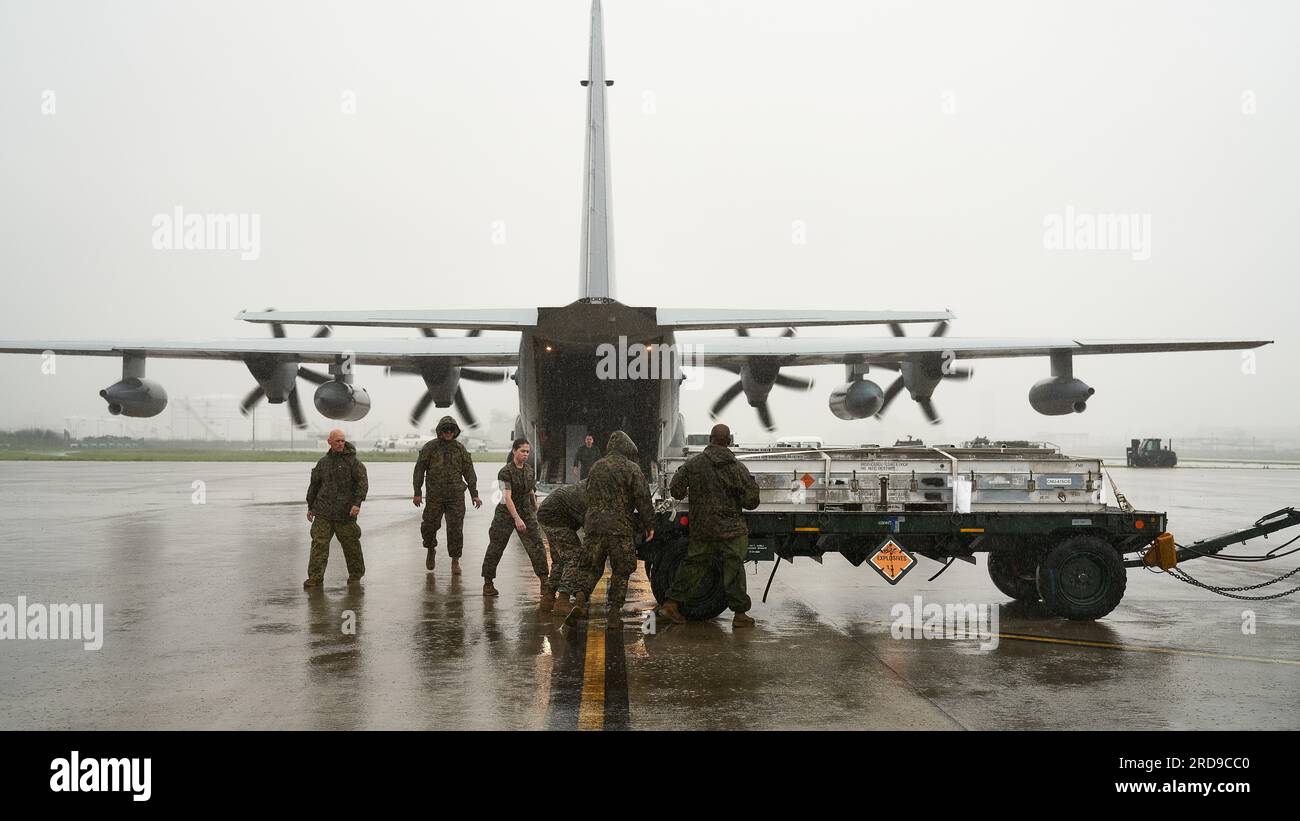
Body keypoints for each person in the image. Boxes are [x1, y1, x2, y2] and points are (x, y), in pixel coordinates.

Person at [658, 423, 760, 626]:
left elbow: (676, 490)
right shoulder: (737, 468)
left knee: (693, 564)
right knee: (734, 568)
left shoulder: (694, 464)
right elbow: (752, 502)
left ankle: (671, 604)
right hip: (731, 529)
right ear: (729, 441)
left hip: (702, 527)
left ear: (710, 439)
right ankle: (740, 615)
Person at [568, 431, 654, 629]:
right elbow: (642, 498)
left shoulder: (597, 466)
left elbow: (586, 494)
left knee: (591, 566)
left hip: (594, 526)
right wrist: (649, 525)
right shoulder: (631, 468)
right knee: (621, 570)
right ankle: (614, 614)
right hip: (619, 528)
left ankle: (580, 601)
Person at [482, 437, 551, 601]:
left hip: (526, 511)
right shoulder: (505, 472)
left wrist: (536, 509)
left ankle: (544, 581)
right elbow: (507, 497)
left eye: (527, 451)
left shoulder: (529, 470)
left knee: (536, 544)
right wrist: (517, 519)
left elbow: (530, 491)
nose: (525, 454)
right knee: (496, 547)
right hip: (505, 513)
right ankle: (488, 583)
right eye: (522, 451)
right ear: (514, 451)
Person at [413, 416, 482, 575]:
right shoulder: (430, 448)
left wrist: (474, 494)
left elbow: (469, 473)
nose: (449, 432)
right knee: (429, 526)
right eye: (446, 429)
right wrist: (417, 492)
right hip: (434, 496)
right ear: (440, 431)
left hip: (456, 496)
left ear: (456, 431)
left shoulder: (460, 450)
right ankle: (431, 548)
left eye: (452, 430)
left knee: (455, 529)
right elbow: (419, 470)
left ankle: (455, 560)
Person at [304, 429, 369, 589]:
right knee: (318, 544)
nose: (341, 443)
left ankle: (355, 576)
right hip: (323, 512)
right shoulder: (323, 463)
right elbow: (314, 485)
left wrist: (357, 504)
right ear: (330, 442)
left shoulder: (354, 463)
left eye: (342, 440)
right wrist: (310, 506)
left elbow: (362, 484)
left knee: (351, 545)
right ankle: (315, 578)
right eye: (337, 441)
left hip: (345, 513)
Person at [536, 480, 588, 615]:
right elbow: (589, 524)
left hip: (547, 512)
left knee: (559, 559)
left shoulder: (586, 486)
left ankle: (548, 598)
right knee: (574, 556)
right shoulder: (590, 494)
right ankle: (562, 601)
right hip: (555, 517)